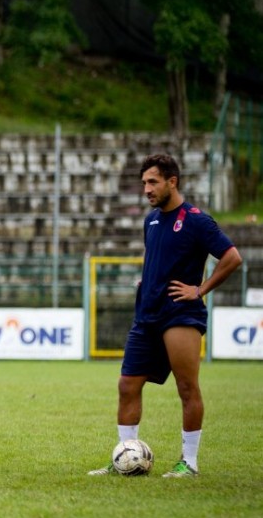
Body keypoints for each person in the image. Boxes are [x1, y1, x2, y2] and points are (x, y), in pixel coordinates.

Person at [88, 153, 242, 478]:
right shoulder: (152, 220)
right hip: (147, 315)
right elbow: (155, 255)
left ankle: (189, 462)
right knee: (127, 384)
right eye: (144, 182)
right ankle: (126, 455)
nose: (146, 189)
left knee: (187, 388)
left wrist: (199, 290)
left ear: (173, 181)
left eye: (153, 182)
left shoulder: (197, 220)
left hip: (180, 314)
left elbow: (232, 257)